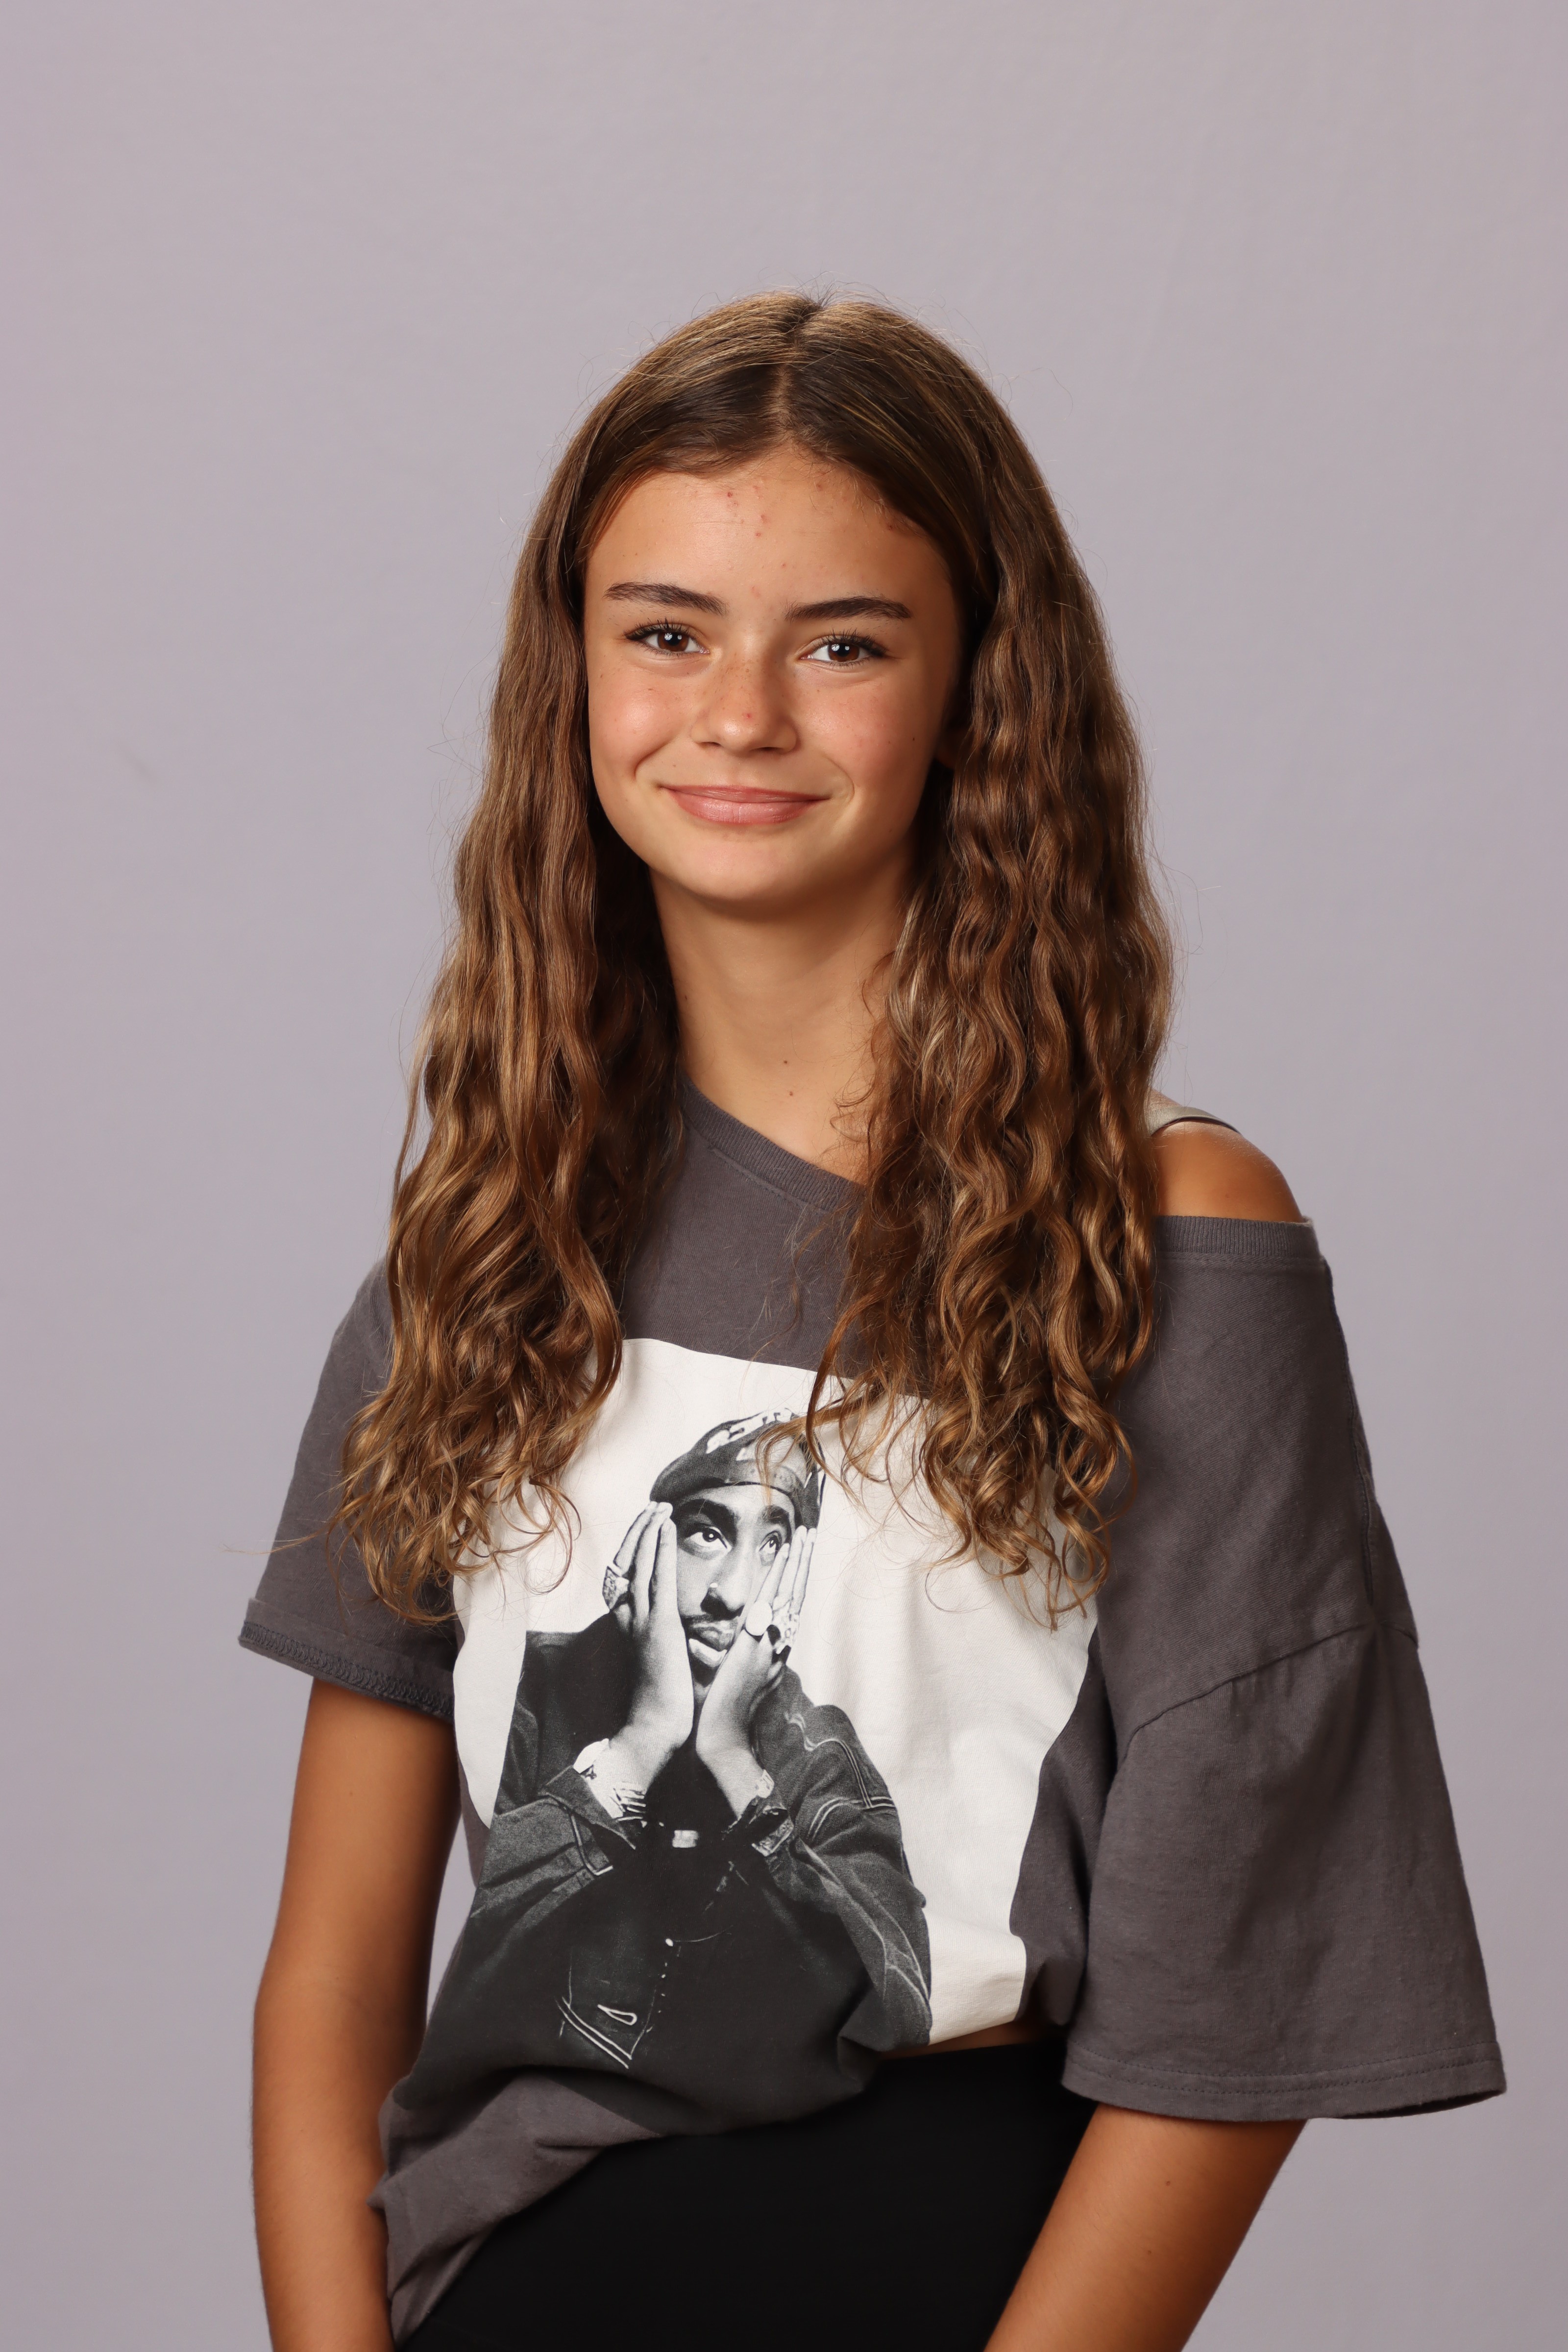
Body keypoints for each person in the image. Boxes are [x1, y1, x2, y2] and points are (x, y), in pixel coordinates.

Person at [243, 292, 1502, 2352]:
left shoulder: (1165, 1242)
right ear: (574, 677)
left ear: (974, 694)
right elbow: (334, 1977)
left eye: (841, 644)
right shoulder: (480, 1258)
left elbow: (1237, 1999)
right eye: (666, 632)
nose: (738, 713)